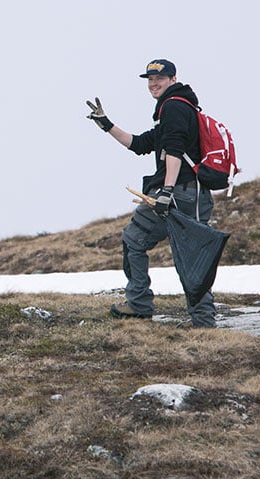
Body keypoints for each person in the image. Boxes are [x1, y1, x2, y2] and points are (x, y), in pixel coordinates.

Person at [86, 59, 217, 328]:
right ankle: (156, 308)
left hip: (180, 193)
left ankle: (143, 305)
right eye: (149, 80)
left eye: (160, 78)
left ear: (173, 78)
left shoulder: (174, 107)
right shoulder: (175, 107)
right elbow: (139, 144)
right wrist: (105, 123)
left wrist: (166, 192)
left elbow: (175, 150)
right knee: (146, 242)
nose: (154, 83)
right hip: (186, 193)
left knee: (170, 250)